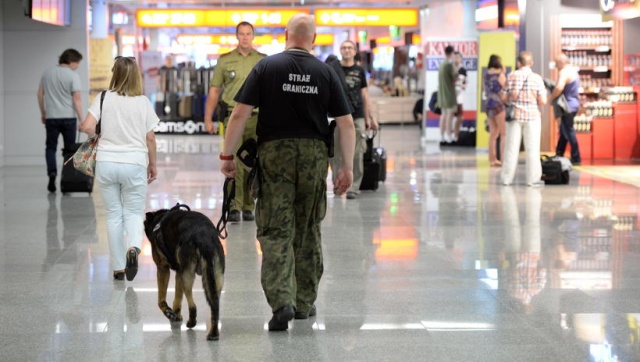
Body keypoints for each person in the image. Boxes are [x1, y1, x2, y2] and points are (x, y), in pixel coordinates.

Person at [219, 13, 355, 331]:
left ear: (285, 35)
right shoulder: (325, 71)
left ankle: (282, 302)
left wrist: (227, 155)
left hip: (274, 153)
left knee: (275, 229)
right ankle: (305, 303)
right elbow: (346, 123)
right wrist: (345, 168)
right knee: (307, 228)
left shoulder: (267, 66)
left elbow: (239, 113)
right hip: (313, 154)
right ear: (315, 39)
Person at [79, 56, 159, 281]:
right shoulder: (142, 102)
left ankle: (118, 268)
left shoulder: (103, 98)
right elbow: (150, 139)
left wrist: (98, 136)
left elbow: (86, 126)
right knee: (133, 212)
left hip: (106, 162)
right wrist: (153, 164)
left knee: (113, 215)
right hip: (134, 163)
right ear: (136, 76)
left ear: (115, 74)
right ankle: (133, 248)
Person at [204, 21, 266, 222]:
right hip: (232, 118)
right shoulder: (225, 61)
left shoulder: (263, 61)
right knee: (231, 160)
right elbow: (214, 91)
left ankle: (249, 205)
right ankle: (233, 205)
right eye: (242, 34)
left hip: (258, 118)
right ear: (236, 36)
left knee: (254, 161)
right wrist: (208, 117)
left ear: (253, 36)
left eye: (249, 34)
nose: (245, 37)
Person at [328, 40, 378, 200]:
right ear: (340, 50)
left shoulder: (360, 70)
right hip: (336, 116)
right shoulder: (332, 69)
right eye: (343, 48)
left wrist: (369, 117)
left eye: (350, 48)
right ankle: (338, 185)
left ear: (355, 51)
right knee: (335, 153)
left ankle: (354, 187)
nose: (346, 50)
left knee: (357, 153)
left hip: (357, 115)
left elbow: (365, 95)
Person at [37, 48, 84, 193]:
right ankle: (66, 180)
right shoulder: (73, 75)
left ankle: (52, 173)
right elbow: (76, 99)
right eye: (77, 63)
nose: (78, 66)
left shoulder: (47, 73)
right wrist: (82, 119)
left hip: (52, 117)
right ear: (71, 61)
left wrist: (43, 112)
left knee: (50, 148)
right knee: (69, 150)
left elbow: (40, 94)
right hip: (68, 118)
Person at [500, 51, 547, 187]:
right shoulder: (537, 78)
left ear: (518, 63)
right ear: (531, 63)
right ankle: (532, 180)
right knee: (532, 149)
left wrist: (512, 98)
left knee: (511, 148)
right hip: (532, 117)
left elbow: (503, 97)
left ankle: (506, 179)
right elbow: (543, 101)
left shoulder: (511, 76)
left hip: (515, 116)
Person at [551, 53, 581, 166]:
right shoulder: (573, 70)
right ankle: (559, 153)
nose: (556, 66)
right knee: (564, 131)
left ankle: (576, 157)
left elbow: (559, 87)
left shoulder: (564, 72)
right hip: (573, 104)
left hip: (567, 106)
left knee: (568, 131)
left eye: (557, 63)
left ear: (562, 62)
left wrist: (551, 98)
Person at [484, 54, 507, 167]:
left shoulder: (486, 75)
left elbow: (485, 91)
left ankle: (492, 159)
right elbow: (504, 88)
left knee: (493, 133)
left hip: (488, 105)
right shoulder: (500, 75)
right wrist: (503, 71)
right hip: (498, 105)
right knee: (504, 133)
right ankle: (503, 159)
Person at [437, 45, 457, 145]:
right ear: (451, 53)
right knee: (449, 115)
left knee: (443, 115)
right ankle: (449, 135)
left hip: (442, 95)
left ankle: (442, 136)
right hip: (449, 94)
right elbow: (455, 77)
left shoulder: (442, 64)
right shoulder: (449, 64)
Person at [452, 51, 467, 142]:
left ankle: (456, 135)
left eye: (458, 57)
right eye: (455, 57)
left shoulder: (463, 71)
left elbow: (465, 83)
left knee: (460, 117)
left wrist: (463, 85)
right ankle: (448, 135)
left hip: (459, 97)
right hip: (450, 97)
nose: (457, 59)